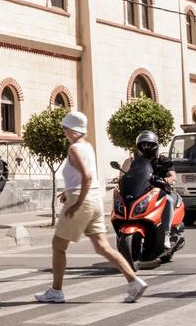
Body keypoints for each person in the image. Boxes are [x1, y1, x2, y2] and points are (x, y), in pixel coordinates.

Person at [35, 111, 147, 304]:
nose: (63, 131)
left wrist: (76, 203)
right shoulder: (87, 147)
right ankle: (134, 281)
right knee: (103, 246)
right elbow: (84, 177)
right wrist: (68, 191)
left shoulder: (74, 149)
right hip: (94, 198)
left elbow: (86, 176)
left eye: (65, 128)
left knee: (58, 246)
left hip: (81, 200)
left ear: (73, 129)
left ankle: (56, 291)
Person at [121, 130, 179, 250]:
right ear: (139, 146)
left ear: (155, 145)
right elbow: (126, 174)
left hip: (160, 191)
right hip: (142, 192)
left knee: (168, 200)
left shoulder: (163, 160)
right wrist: (120, 179)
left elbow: (173, 176)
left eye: (149, 144)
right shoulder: (134, 162)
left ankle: (166, 234)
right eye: (143, 145)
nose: (146, 147)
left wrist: (167, 179)